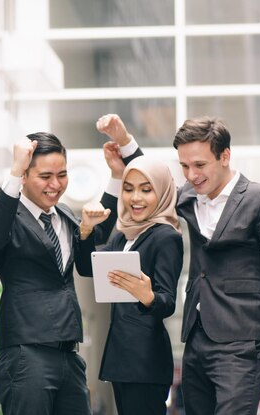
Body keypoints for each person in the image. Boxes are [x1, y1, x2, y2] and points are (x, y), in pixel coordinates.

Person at [96, 113, 260, 415]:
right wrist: (125, 141)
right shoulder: (187, 198)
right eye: (185, 166)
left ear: (225, 156)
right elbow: (154, 180)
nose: (191, 175)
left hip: (244, 339)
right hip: (197, 338)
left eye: (200, 165)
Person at [0, 132, 119, 415]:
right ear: (24, 175)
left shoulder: (66, 215)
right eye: (45, 176)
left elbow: (96, 241)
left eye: (62, 174)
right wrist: (13, 171)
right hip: (26, 352)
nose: (55, 185)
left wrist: (116, 177)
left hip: (69, 354)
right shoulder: (5, 214)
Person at [75, 155, 183, 415]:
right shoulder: (122, 236)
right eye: (128, 188)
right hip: (121, 356)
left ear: (163, 192)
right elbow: (87, 268)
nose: (135, 198)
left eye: (146, 190)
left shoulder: (166, 237)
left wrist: (147, 296)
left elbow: (167, 302)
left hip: (146, 359)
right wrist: (86, 230)